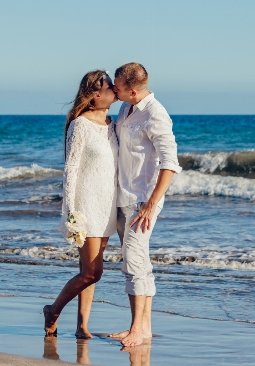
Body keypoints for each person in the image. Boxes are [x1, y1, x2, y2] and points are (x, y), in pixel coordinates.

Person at [108, 62, 182, 347]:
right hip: (122, 196)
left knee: (134, 262)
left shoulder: (155, 114)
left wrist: (152, 204)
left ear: (133, 91)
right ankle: (142, 327)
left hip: (142, 201)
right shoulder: (125, 108)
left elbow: (170, 163)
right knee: (137, 263)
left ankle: (137, 329)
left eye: (118, 86)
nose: (114, 90)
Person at [43, 70, 118, 338]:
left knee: (87, 271)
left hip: (108, 204)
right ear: (96, 94)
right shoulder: (80, 125)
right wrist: (71, 211)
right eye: (111, 86)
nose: (116, 89)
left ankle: (81, 326)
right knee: (93, 272)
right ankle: (52, 310)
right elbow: (71, 169)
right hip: (86, 205)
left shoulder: (113, 124)